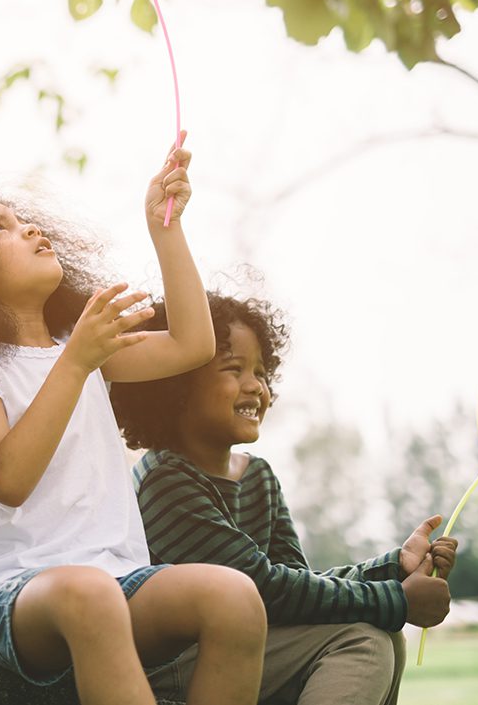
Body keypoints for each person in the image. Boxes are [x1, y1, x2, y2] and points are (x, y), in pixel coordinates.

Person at [0, 136, 268, 705]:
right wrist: (78, 361)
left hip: (119, 580)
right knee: (90, 595)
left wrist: (165, 230)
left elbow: (193, 345)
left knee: (235, 598)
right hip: (16, 592)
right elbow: (10, 478)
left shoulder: (81, 348)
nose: (27, 228)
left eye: (22, 219)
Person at [110, 292, 458, 705]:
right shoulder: (164, 480)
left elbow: (296, 584)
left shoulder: (257, 476)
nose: (255, 386)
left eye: (260, 371)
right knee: (363, 639)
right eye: (233, 369)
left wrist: (392, 569)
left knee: (380, 635)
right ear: (176, 385)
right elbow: (263, 588)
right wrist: (396, 600)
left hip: (249, 647)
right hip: (177, 665)